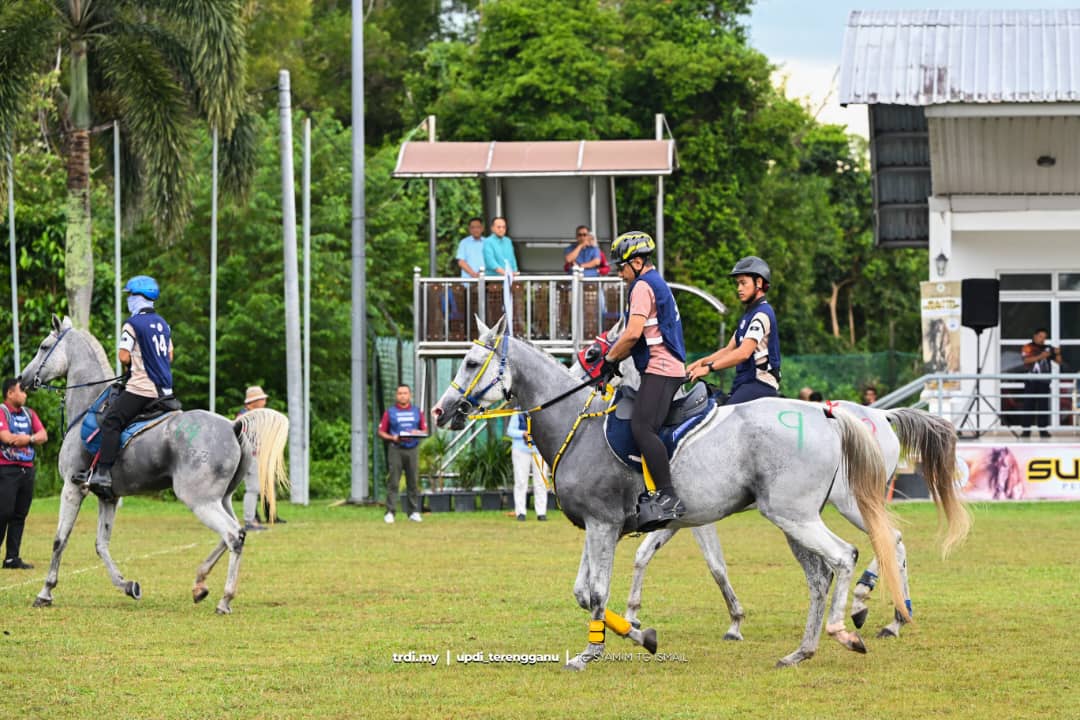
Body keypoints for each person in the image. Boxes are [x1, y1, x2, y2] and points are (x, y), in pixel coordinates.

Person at [595, 230, 687, 532]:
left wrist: (609, 360)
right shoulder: (655, 283)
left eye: (622, 267)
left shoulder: (642, 287)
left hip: (661, 368)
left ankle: (667, 496)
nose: (620, 273)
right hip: (665, 367)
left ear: (636, 262)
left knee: (642, 427)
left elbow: (632, 333)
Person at [89, 275, 173, 501]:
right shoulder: (163, 324)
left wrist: (133, 364)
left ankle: (103, 474)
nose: (128, 300)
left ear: (139, 297)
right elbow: (170, 356)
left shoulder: (132, 324)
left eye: (130, 296)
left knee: (111, 421)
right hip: (165, 392)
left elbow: (123, 356)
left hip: (141, 389)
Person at [687, 256, 781, 405]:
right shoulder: (749, 316)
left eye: (743, 283)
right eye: (738, 284)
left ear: (759, 282)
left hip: (760, 385)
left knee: (724, 417)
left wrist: (709, 368)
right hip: (745, 384)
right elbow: (728, 350)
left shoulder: (762, 314)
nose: (739, 289)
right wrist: (701, 363)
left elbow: (743, 353)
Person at [0, 378, 47, 570]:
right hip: (6, 469)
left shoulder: (29, 413)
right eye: (22, 391)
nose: (25, 394)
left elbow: (43, 435)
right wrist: (28, 439)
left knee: (20, 514)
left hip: (27, 469)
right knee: (3, 512)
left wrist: (27, 438)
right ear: (10, 393)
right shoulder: (2, 412)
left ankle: (12, 558)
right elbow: (6, 437)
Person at [377, 384, 427, 524]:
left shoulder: (417, 412)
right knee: (393, 481)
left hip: (413, 449)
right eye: (400, 393)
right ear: (396, 396)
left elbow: (424, 430)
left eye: (405, 393)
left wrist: (417, 432)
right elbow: (381, 432)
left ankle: (413, 512)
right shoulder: (390, 412)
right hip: (396, 449)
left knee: (413, 482)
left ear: (410, 395)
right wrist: (392, 438)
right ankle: (390, 512)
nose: (402, 396)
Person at [235, 385, 271, 531]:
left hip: (252, 456)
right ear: (253, 402)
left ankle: (251, 519)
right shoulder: (245, 418)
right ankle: (249, 521)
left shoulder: (250, 416)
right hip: (249, 456)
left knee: (253, 488)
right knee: (253, 489)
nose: (264, 402)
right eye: (261, 399)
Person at [1021, 328, 1062, 439]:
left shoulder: (1048, 348)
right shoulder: (1027, 347)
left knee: (1043, 406)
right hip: (1030, 381)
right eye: (1040, 336)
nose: (1042, 339)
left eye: (1044, 337)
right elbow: (1025, 361)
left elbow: (1059, 361)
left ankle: (1043, 430)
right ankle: (1026, 431)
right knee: (1028, 405)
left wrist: (1058, 353)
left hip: (1044, 382)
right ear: (1035, 336)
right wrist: (1041, 356)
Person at [506, 414, 547, 522]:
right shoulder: (517, 412)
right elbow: (510, 431)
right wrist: (523, 433)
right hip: (521, 450)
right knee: (521, 481)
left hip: (539, 450)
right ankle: (520, 512)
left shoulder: (541, 411)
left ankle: (541, 513)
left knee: (541, 481)